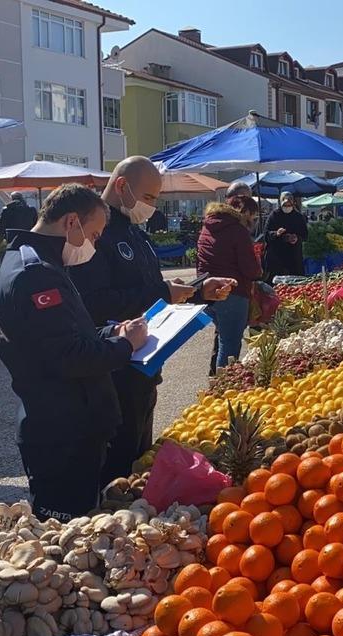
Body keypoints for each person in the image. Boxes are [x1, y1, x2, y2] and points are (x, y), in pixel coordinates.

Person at [70, 156, 236, 487]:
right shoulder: (94, 235)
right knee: (116, 468)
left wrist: (201, 289)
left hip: (146, 366)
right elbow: (92, 303)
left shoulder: (136, 233)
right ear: (121, 186)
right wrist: (162, 293)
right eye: (148, 198)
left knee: (138, 456)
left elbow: (154, 291)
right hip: (113, 369)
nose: (151, 207)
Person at [0, 183, 149, 521]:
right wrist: (125, 345)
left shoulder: (37, 261)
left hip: (66, 424)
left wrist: (112, 331)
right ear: (72, 222)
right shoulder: (37, 276)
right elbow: (70, 356)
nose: (93, 245)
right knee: (66, 534)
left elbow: (68, 334)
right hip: (63, 432)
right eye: (94, 234)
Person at [198, 195, 262, 373]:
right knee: (230, 345)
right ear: (246, 212)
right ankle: (224, 388)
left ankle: (218, 381)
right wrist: (259, 270)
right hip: (232, 292)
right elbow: (250, 269)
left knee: (223, 339)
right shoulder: (237, 230)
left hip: (207, 292)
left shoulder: (207, 226)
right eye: (254, 216)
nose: (253, 221)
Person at [263, 191, 308, 279]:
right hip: (277, 257)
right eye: (285, 205)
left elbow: (305, 235)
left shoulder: (298, 217)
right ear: (280, 203)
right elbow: (266, 234)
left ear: (293, 203)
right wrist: (276, 233)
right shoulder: (274, 215)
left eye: (289, 205)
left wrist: (296, 238)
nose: (287, 207)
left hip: (294, 257)